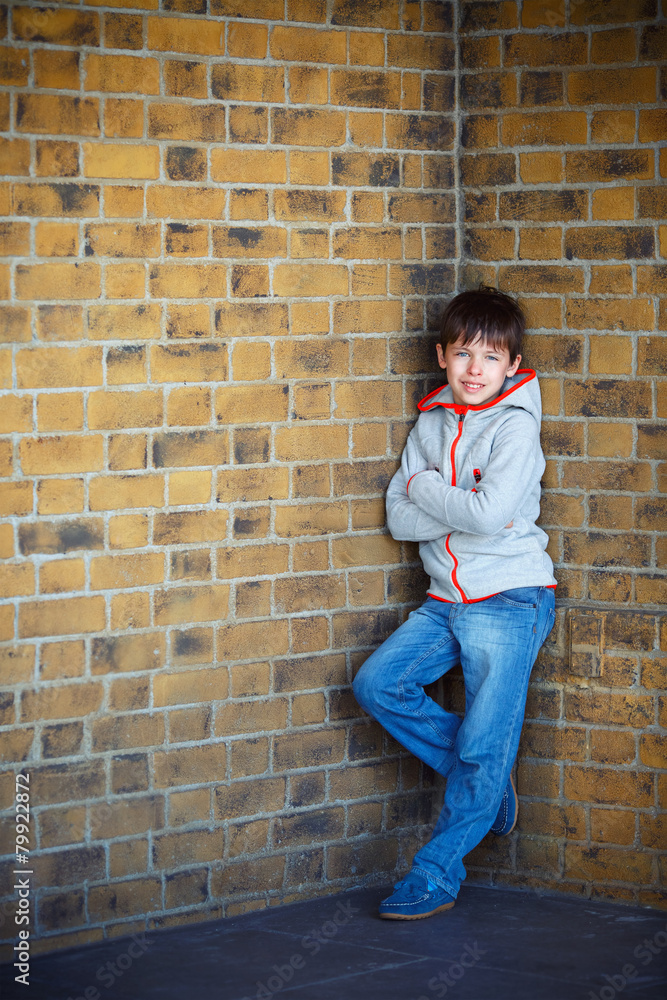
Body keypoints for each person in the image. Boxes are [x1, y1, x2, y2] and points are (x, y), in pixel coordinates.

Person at [353, 286, 557, 920]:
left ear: (511, 365)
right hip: (445, 599)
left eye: (491, 358)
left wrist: (423, 488)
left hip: (510, 596)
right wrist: (444, 504)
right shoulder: (431, 421)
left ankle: (435, 874)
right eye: (464, 354)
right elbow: (397, 518)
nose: (476, 370)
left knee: (484, 746)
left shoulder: (516, 426)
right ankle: (488, 788)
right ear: (442, 356)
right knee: (377, 684)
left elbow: (491, 514)